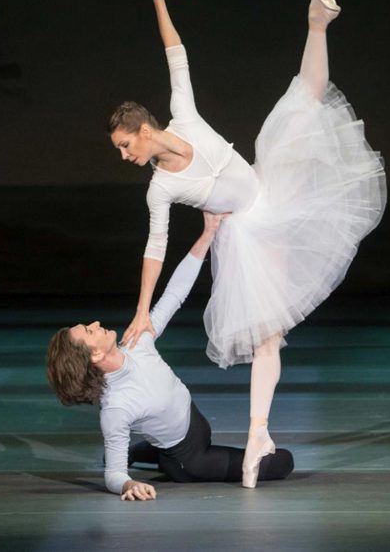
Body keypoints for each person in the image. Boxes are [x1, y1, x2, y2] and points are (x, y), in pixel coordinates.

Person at [108, 0, 386, 487]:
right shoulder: (160, 187)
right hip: (249, 235)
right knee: (269, 338)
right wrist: (143, 311)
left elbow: (176, 55)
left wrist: (157, 1)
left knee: (307, 98)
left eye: (125, 145)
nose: (125, 155)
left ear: (143, 130)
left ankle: (317, 21)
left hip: (271, 187)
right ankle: (259, 432)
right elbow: (155, 247)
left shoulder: (183, 114)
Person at [45, 213, 295, 499]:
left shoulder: (136, 341)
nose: (95, 324)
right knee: (283, 462)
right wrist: (129, 485)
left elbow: (174, 294)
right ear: (95, 354)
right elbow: (113, 475)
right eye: (89, 332)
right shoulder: (115, 409)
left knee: (155, 445)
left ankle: (141, 452)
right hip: (189, 460)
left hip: (193, 426)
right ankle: (151, 455)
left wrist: (208, 233)